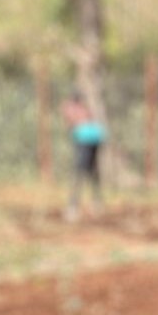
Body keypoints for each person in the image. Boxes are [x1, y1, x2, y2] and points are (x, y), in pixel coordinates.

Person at [62, 89, 106, 219]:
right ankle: (95, 202)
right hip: (93, 138)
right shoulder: (80, 109)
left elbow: (71, 124)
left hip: (86, 140)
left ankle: (74, 205)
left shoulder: (71, 108)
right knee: (91, 171)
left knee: (82, 172)